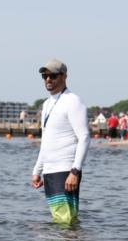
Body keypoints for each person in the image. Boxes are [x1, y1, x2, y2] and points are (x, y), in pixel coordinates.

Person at [31, 59, 90, 225]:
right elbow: (46, 140)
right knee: (59, 220)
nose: (48, 79)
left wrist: (75, 171)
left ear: (64, 76)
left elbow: (84, 137)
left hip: (65, 171)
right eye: (45, 76)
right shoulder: (47, 104)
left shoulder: (73, 101)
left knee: (65, 221)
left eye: (53, 75)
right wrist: (37, 170)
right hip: (49, 171)